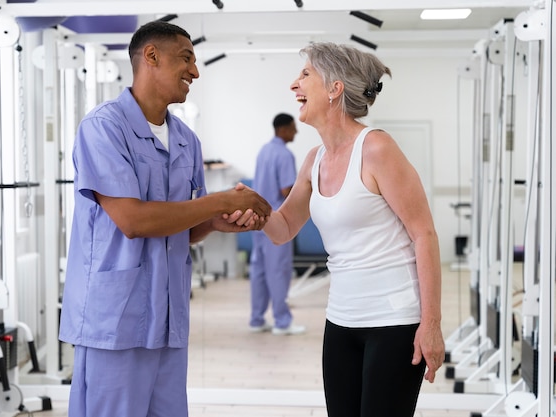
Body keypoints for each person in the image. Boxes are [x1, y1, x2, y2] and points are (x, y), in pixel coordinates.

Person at [58, 21, 272, 417]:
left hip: (169, 319)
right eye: (186, 58)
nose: (195, 71)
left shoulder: (186, 140)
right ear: (151, 57)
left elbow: (181, 229)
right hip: (116, 322)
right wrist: (216, 202)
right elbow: (133, 221)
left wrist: (214, 221)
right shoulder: (104, 128)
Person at [261, 42, 445, 417]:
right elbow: (282, 229)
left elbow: (424, 234)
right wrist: (249, 209)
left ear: (335, 88)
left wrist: (432, 324)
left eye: (305, 74)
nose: (294, 85)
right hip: (341, 321)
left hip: (394, 323)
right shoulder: (313, 160)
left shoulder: (376, 148)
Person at [249, 113, 306, 335]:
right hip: (276, 220)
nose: (296, 132)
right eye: (293, 128)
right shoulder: (284, 154)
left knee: (259, 271)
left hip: (256, 221)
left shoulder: (264, 151)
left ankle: (256, 320)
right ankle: (282, 322)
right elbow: (286, 190)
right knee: (278, 271)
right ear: (282, 129)